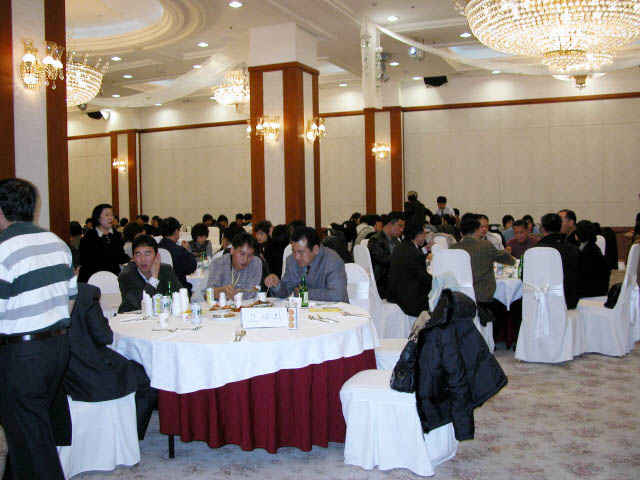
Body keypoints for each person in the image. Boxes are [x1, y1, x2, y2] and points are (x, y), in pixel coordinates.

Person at [0, 178, 77, 479]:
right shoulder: (56, 242)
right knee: (29, 428)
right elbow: (71, 299)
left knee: (31, 440)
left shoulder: (3, 248)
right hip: (56, 347)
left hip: (21, 354)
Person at [63, 252, 156, 440]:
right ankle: (131, 435)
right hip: (89, 372)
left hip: (60, 372)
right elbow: (104, 336)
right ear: (77, 270)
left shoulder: (39, 295)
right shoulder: (87, 294)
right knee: (148, 378)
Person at [265, 227, 348, 302]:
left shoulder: (332, 261)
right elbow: (285, 291)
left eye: (301, 252)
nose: (296, 257)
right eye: (293, 251)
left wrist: (304, 293)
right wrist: (277, 284)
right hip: (303, 310)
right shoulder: (291, 260)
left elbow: (337, 295)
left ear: (315, 249)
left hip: (334, 310)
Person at [450, 216, 515, 304]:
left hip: (460, 296)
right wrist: (508, 255)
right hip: (483, 297)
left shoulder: (452, 249)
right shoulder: (486, 245)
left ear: (461, 233)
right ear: (477, 231)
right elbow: (508, 260)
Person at [118, 235, 183, 313]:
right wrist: (154, 278)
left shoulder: (166, 270)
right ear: (133, 258)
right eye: (138, 255)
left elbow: (181, 295)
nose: (143, 259)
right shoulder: (126, 276)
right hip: (133, 318)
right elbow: (140, 304)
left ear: (157, 256)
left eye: (147, 254)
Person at [387, 220, 433, 317]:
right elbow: (424, 279)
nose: (425, 237)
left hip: (394, 293)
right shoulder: (415, 254)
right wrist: (437, 280)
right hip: (407, 299)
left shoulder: (400, 247)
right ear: (418, 236)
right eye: (424, 234)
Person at [537, 213, 580, 309]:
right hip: (568, 302)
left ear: (542, 229)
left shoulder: (533, 251)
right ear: (560, 227)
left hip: (540, 302)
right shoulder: (574, 250)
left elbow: (524, 276)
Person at [78, 203, 130, 283]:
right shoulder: (88, 237)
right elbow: (83, 260)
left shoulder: (117, 235)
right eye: (107, 215)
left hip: (113, 278)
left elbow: (120, 257)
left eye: (112, 215)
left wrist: (132, 259)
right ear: (98, 217)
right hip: (92, 278)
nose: (111, 218)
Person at [207, 232, 262, 300]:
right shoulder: (218, 263)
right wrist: (221, 291)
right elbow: (209, 293)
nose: (245, 259)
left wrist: (233, 296)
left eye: (250, 255)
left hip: (248, 305)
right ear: (232, 250)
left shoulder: (256, 263)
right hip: (222, 305)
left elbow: (251, 293)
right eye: (242, 254)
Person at [367, 211, 405, 299]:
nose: (402, 229)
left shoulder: (397, 241)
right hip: (382, 282)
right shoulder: (375, 240)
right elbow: (384, 260)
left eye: (403, 226)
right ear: (390, 225)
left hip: (395, 280)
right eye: (400, 226)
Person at [158, 216, 197, 294]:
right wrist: (186, 250)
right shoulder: (179, 250)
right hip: (179, 291)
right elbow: (191, 268)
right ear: (176, 231)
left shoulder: (155, 249)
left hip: (158, 290)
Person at [575, 220, 610, 298]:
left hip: (592, 290)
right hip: (599, 288)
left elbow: (583, 274)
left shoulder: (588, 251)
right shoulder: (592, 247)